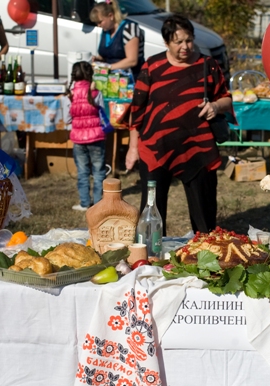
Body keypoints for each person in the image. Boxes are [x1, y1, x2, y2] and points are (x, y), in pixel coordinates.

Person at [126, 14, 233, 234]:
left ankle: (206, 255)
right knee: (151, 213)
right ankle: (152, 257)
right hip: (156, 149)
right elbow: (137, 110)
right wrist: (133, 147)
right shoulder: (152, 66)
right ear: (166, 42)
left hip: (197, 149)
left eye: (189, 40)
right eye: (178, 42)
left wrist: (215, 106)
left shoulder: (207, 65)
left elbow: (226, 98)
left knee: (204, 216)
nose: (185, 47)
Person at [67, 61, 107, 212]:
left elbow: (67, 118)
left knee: (82, 172)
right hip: (96, 137)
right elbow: (103, 115)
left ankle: (85, 203)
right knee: (99, 172)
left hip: (78, 139)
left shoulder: (71, 94)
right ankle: (98, 203)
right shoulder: (95, 92)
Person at [89, 1, 144, 79]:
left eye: (100, 22)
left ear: (111, 16)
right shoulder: (106, 30)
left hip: (130, 80)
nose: (98, 25)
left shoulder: (129, 28)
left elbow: (132, 60)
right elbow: (108, 54)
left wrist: (109, 67)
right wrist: (99, 60)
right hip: (111, 80)